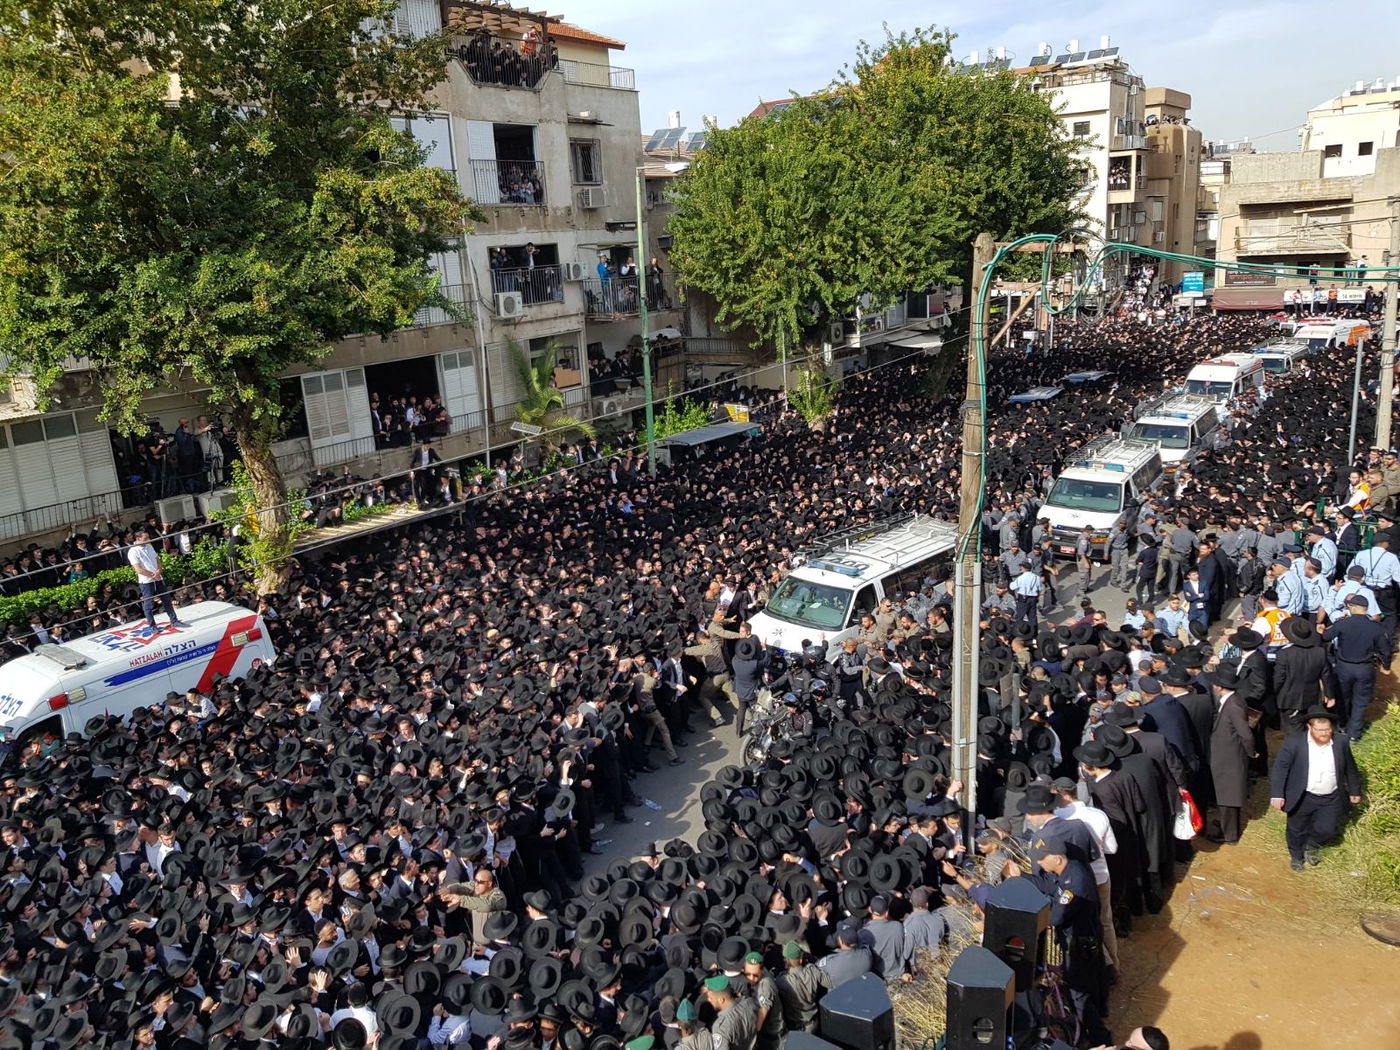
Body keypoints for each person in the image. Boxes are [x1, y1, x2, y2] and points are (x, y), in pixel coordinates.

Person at [1269, 705, 1362, 871]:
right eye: (1320, 730)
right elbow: (1280, 768)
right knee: (1296, 828)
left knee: (1328, 828)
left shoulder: (1341, 742)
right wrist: (1277, 794)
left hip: (1331, 796)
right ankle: (1296, 856)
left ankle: (1311, 844)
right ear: (1309, 727)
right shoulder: (1295, 743)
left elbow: (1350, 768)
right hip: (1303, 795)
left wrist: (1355, 790)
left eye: (1327, 729)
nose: (1325, 733)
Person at [1322, 594, 1393, 740]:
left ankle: (1342, 726)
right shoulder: (1376, 628)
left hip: (1343, 668)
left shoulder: (1343, 623)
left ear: (1352, 608)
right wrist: (1385, 666)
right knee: (1360, 701)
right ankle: (1354, 733)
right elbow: (1385, 650)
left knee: (1343, 698)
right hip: (1365, 669)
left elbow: (1326, 636)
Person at [1205, 664, 1254, 844]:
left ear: (1219, 687)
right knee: (1227, 796)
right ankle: (1227, 826)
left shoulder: (1233, 705)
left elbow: (1245, 734)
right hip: (1226, 755)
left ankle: (1229, 835)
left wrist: (1250, 752)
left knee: (1228, 797)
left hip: (1230, 758)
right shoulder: (1231, 702)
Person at [127, 529, 188, 634]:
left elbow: (158, 560)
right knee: (148, 604)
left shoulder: (149, 546)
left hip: (158, 578)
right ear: (138, 539)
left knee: (166, 599)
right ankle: (152, 626)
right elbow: (138, 569)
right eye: (145, 538)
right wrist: (152, 575)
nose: (148, 540)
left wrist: (159, 571)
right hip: (146, 581)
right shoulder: (132, 551)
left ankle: (174, 620)